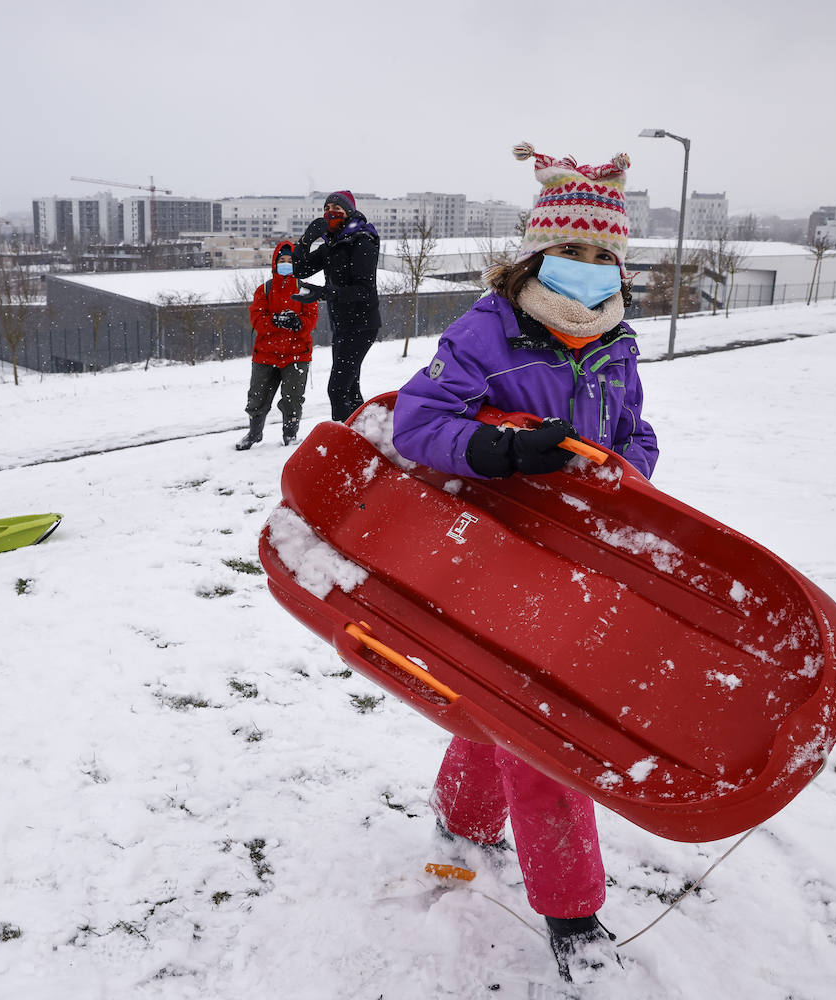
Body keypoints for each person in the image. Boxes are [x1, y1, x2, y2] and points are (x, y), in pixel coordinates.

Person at [391, 142, 659, 985]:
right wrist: (508, 452)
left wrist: (629, 477)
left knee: (497, 703)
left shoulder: (616, 339)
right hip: (501, 554)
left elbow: (637, 433)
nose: (587, 269)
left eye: (601, 256)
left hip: (582, 560)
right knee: (546, 733)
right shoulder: (487, 330)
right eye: (571, 253)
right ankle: (573, 914)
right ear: (538, 251)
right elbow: (417, 424)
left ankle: (464, 824)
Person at [290, 190, 381, 422]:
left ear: (348, 213)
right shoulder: (332, 244)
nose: (330, 213)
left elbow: (364, 290)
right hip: (342, 325)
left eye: (336, 210)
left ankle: (342, 445)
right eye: (326, 209)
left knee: (338, 389)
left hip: (361, 325)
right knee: (349, 388)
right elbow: (299, 270)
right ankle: (362, 435)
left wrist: (326, 292)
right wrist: (305, 241)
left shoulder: (362, 241)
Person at [235, 241, 318, 450]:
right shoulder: (264, 290)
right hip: (265, 354)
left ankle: (290, 435)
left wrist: (299, 322)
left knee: (293, 399)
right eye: (282, 260)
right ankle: (254, 434)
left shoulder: (305, 289)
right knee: (257, 398)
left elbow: (312, 319)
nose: (286, 264)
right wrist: (274, 321)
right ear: (275, 263)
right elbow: (256, 318)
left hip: (297, 355)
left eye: (290, 261)